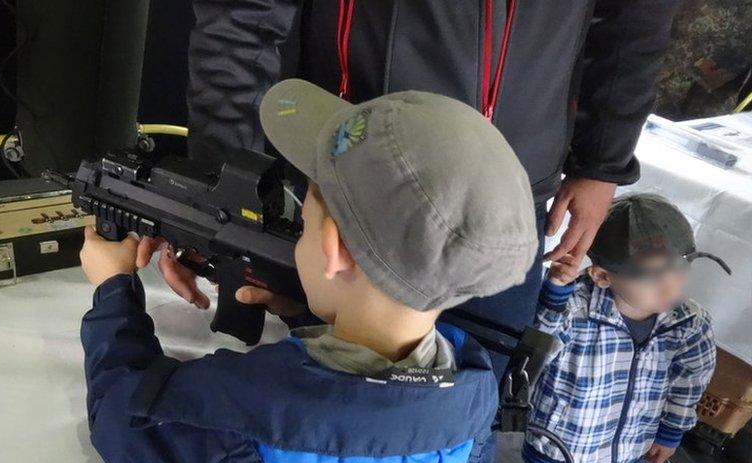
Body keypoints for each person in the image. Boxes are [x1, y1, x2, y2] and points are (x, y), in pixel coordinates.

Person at [79, 79, 537, 463]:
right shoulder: (475, 402)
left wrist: (114, 289)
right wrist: (308, 320)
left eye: (303, 218)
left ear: (332, 245)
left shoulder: (226, 410)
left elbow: (118, 416)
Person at [149, 0, 684, 380]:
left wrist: (603, 161)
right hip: (347, 180)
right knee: (291, 393)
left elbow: (635, 16)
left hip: (509, 195)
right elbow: (242, 17)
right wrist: (219, 194)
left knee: (465, 411)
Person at [507, 194, 731, 463]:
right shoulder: (574, 309)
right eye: (654, 277)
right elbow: (535, 350)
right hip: (564, 444)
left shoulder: (689, 323)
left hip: (626, 448)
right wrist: (554, 296)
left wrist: (671, 432)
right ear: (601, 276)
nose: (671, 287)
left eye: (679, 270)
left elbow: (690, 382)